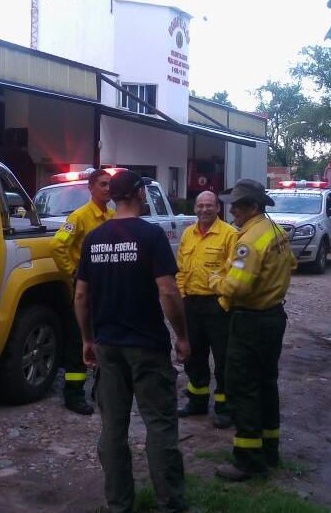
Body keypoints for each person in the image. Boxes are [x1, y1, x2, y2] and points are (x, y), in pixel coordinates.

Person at [74, 170, 193, 513]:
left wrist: (86, 339)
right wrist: (182, 336)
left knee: (112, 427)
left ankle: (119, 505)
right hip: (147, 346)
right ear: (140, 194)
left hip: (107, 345)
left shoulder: (94, 239)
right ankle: (171, 503)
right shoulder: (152, 235)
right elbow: (168, 291)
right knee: (159, 425)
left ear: (112, 197)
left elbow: (81, 296)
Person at [207, 179, 296, 482]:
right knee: (267, 384)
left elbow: (238, 287)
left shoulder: (248, 240)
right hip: (273, 317)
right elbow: (291, 265)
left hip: (250, 321)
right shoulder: (276, 232)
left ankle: (248, 461)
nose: (231, 210)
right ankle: (269, 451)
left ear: (253, 207)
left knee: (242, 389)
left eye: (237, 205)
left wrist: (215, 282)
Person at [50, 168, 114, 415]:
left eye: (110, 184)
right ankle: (73, 394)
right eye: (103, 184)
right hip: (86, 291)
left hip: (107, 289)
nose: (108, 188)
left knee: (103, 338)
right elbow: (57, 245)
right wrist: (73, 272)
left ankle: (100, 388)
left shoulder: (111, 215)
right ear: (91, 188)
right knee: (79, 341)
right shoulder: (79, 217)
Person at [175, 190, 237, 429]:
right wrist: (181, 298)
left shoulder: (229, 235)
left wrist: (223, 303)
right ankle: (197, 401)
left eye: (209, 206)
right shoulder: (188, 234)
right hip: (191, 304)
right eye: (200, 206)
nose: (204, 210)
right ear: (195, 209)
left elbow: (234, 272)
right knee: (193, 356)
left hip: (218, 305)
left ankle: (225, 407)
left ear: (218, 208)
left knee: (223, 359)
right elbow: (181, 269)